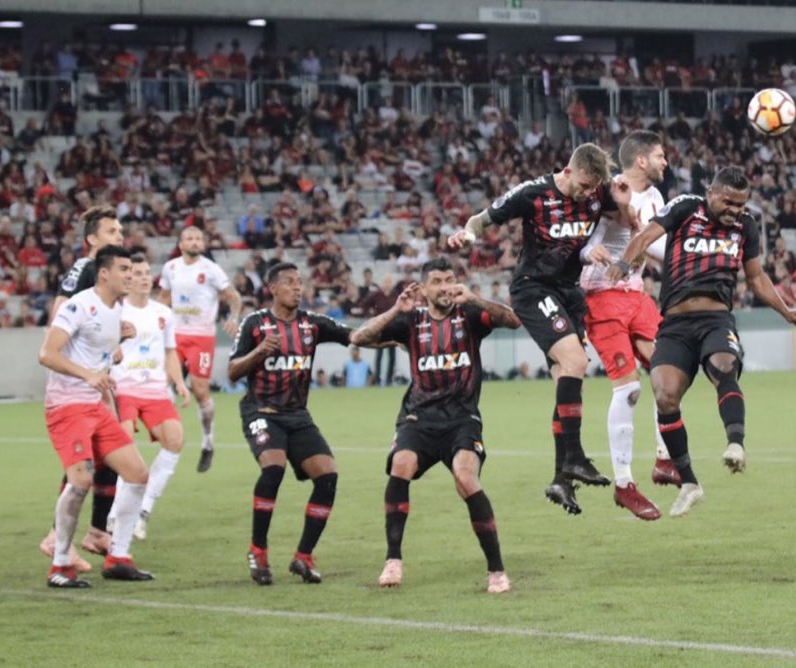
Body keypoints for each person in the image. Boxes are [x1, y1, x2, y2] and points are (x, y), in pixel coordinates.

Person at [608, 167, 796, 517]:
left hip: (716, 320)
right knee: (665, 395)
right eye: (729, 202)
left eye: (741, 204)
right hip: (674, 324)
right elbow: (643, 237)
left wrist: (785, 311)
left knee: (724, 367)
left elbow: (756, 277)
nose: (734, 210)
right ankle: (689, 483)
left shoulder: (745, 226)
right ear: (712, 192)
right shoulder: (686, 207)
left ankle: (736, 445)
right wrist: (624, 264)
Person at [449, 143, 632, 515]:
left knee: (566, 375)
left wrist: (624, 202)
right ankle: (575, 456)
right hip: (534, 288)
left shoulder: (599, 192)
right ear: (568, 170)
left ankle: (560, 481)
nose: (585, 194)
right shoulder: (533, 194)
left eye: (591, 187)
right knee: (576, 363)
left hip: (570, 293)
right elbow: (479, 221)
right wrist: (468, 236)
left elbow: (630, 226)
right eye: (582, 185)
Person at [350, 257, 520, 593]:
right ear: (424, 288)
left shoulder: (469, 315)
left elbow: (512, 320)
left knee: (466, 478)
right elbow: (360, 337)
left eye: (449, 279)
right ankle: (393, 560)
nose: (445, 286)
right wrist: (395, 310)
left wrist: (475, 298)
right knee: (401, 464)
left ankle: (496, 570)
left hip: (462, 420)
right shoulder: (411, 321)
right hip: (419, 419)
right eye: (437, 281)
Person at [228, 262, 352, 586]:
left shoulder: (312, 323)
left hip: (297, 415)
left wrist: (397, 322)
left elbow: (354, 335)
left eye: (300, 282)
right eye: (289, 282)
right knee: (273, 468)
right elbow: (231, 372)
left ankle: (303, 556)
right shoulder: (254, 324)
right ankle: (258, 550)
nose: (297, 288)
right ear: (272, 288)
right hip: (261, 411)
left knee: (328, 476)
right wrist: (258, 352)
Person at [38, 245, 153, 587]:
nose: (130, 276)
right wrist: (87, 375)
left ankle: (118, 556)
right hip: (67, 407)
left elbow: (94, 353)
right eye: (124, 269)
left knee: (137, 473)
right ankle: (60, 565)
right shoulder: (79, 305)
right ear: (104, 273)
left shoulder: (114, 310)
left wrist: (116, 347)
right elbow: (47, 353)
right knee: (81, 481)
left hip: (94, 406)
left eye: (132, 270)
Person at [578, 130, 679, 521]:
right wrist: (590, 252)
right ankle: (624, 485)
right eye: (660, 156)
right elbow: (584, 242)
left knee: (668, 373)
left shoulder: (654, 198)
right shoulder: (609, 192)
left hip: (637, 296)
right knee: (632, 389)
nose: (664, 162)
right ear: (641, 161)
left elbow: (656, 247)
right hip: (602, 296)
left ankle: (664, 459)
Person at [39, 205, 127, 570]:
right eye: (112, 232)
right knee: (85, 462)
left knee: (107, 456)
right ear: (92, 239)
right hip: (77, 383)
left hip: (97, 376)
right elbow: (61, 313)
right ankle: (58, 538)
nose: (119, 237)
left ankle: (96, 531)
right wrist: (74, 366)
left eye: (120, 231)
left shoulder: (106, 274)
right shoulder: (87, 268)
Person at [111, 254, 191, 541]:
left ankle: (143, 511)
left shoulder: (163, 313)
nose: (145, 277)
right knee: (124, 451)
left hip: (156, 390)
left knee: (175, 439)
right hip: (123, 389)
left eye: (148, 272)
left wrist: (179, 382)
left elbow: (170, 352)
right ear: (127, 278)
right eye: (138, 273)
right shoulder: (116, 311)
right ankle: (115, 514)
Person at [159, 227, 242, 472]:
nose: (195, 242)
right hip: (175, 335)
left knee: (200, 390)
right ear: (181, 243)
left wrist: (234, 317)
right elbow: (164, 298)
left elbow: (233, 296)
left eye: (198, 239)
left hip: (201, 337)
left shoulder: (210, 269)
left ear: (203, 244)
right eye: (190, 238)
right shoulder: (170, 268)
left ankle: (208, 441)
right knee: (162, 384)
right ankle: (170, 437)